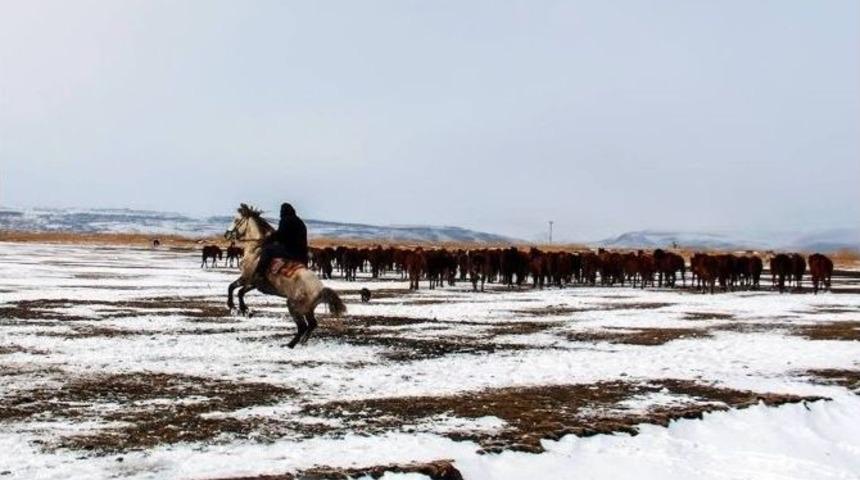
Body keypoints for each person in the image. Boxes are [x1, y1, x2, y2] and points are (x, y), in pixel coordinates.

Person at [254, 203, 308, 280]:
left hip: (291, 251)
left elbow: (281, 235)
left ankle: (259, 274)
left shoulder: (285, 220)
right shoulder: (299, 221)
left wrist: (269, 239)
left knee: (267, 250)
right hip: (302, 254)